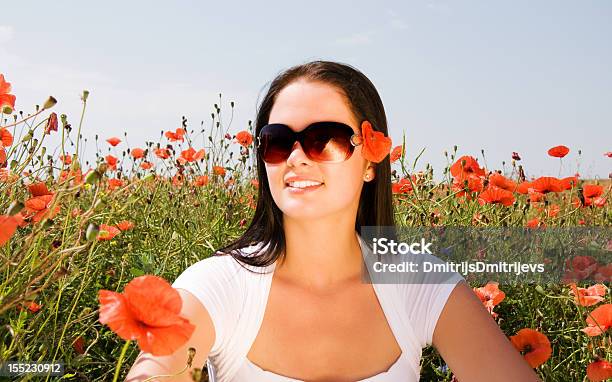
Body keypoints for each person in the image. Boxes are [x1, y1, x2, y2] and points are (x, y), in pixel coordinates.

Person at [126, 60, 542, 381]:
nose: (296, 157)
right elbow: (159, 367)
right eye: (277, 141)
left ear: (370, 159)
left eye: (324, 138)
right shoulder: (219, 286)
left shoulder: (418, 287)